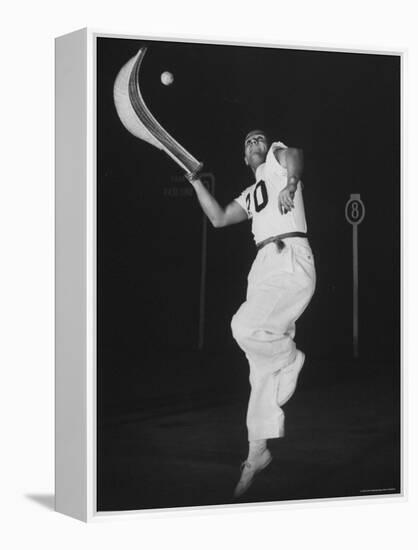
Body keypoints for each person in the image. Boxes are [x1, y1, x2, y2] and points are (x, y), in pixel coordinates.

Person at [186, 129, 316, 499]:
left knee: (244, 326)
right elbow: (220, 218)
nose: (255, 143)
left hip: (288, 256)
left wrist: (291, 184)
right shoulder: (250, 193)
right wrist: (196, 184)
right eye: (248, 143)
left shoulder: (276, 163)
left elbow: (294, 153)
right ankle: (256, 454)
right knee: (260, 374)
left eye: (259, 139)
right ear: (244, 159)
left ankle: (290, 357)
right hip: (262, 269)